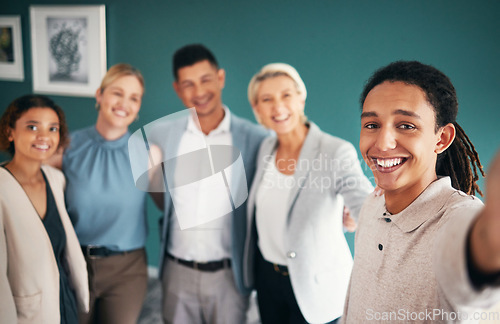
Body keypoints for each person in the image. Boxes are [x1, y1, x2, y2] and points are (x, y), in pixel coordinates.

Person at [342, 61, 500, 322]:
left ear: (441, 139)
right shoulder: (373, 203)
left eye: (406, 125)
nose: (383, 143)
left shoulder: (458, 220)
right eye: (372, 125)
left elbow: (479, 247)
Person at [243, 63, 374, 324]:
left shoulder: (335, 151)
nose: (277, 107)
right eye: (266, 99)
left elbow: (364, 203)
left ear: (301, 97)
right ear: (257, 109)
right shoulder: (265, 147)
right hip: (267, 277)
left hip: (315, 285)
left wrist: (357, 217)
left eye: (286, 95)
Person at [150, 44, 268, 324]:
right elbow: (161, 197)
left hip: (229, 276)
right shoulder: (161, 134)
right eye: (188, 84)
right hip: (176, 272)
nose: (199, 92)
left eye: (206, 80)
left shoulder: (254, 138)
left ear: (221, 78)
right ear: (178, 89)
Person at [49, 63, 149, 324]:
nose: (124, 103)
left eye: (134, 98)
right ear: (99, 95)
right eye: (117, 93)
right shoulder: (66, 147)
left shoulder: (149, 154)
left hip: (127, 269)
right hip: (73, 264)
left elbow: (172, 207)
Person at [0, 94, 89, 323]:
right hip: (25, 312)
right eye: (32, 127)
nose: (44, 136)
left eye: (53, 128)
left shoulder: (55, 179)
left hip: (63, 300)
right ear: (10, 132)